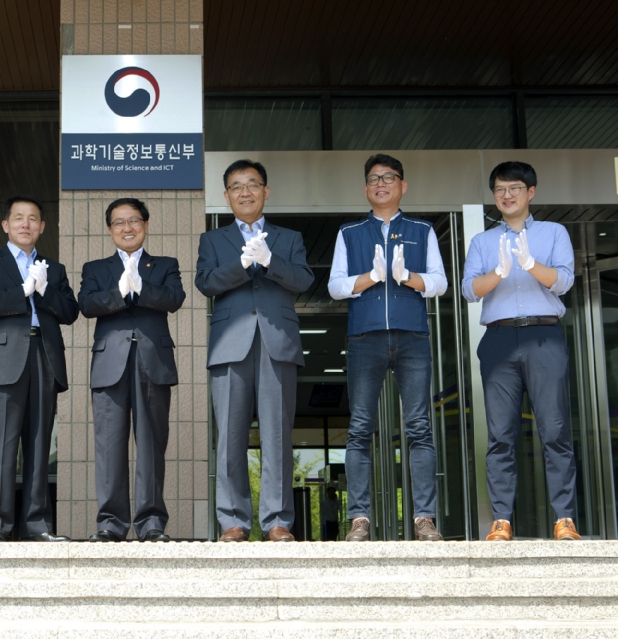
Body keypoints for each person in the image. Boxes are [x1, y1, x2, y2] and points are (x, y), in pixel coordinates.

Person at [327, 154, 448, 542]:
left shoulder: (422, 229)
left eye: (389, 177)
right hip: (365, 337)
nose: (381, 184)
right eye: (374, 179)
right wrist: (371, 277)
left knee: (419, 428)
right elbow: (335, 286)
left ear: (402, 185)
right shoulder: (349, 232)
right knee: (360, 428)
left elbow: (440, 283)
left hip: (412, 335)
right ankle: (359, 519)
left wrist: (407, 277)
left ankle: (424, 518)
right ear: (366, 189)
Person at [195, 159, 314, 542]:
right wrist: (243, 264)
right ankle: (233, 521)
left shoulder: (288, 237)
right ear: (226, 195)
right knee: (230, 435)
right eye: (236, 186)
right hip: (231, 344)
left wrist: (270, 261)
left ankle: (277, 521)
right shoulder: (213, 240)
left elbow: (303, 279)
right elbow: (206, 283)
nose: (245, 192)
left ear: (266, 190)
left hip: (277, 341)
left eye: (252, 184)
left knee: (277, 434)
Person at [461, 161, 580, 542]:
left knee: (555, 429)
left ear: (531, 192)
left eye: (514, 188)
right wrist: (499, 272)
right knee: (500, 434)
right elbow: (469, 290)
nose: (506, 195)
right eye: (499, 189)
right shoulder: (482, 241)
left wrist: (530, 265)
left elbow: (563, 281)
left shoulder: (553, 232)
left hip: (544, 336)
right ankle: (501, 520)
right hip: (498, 339)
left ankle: (564, 519)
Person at [0, 195, 79, 542]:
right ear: (6, 225)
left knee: (38, 444)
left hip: (43, 356)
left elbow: (70, 312)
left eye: (33, 218)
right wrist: (22, 290)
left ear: (42, 227)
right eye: (18, 217)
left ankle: (38, 525)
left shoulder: (55, 268)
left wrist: (44, 289)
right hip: (3, 360)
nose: (25, 224)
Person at [79, 198, 185, 542]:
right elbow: (87, 304)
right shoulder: (95, 268)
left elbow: (174, 298)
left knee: (152, 445)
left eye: (134, 221)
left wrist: (141, 286)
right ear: (110, 229)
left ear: (146, 225)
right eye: (119, 222)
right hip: (109, 364)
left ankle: (152, 523)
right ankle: (111, 523)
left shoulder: (165, 264)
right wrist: (118, 292)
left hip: (152, 362)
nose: (127, 228)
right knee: (109, 447)